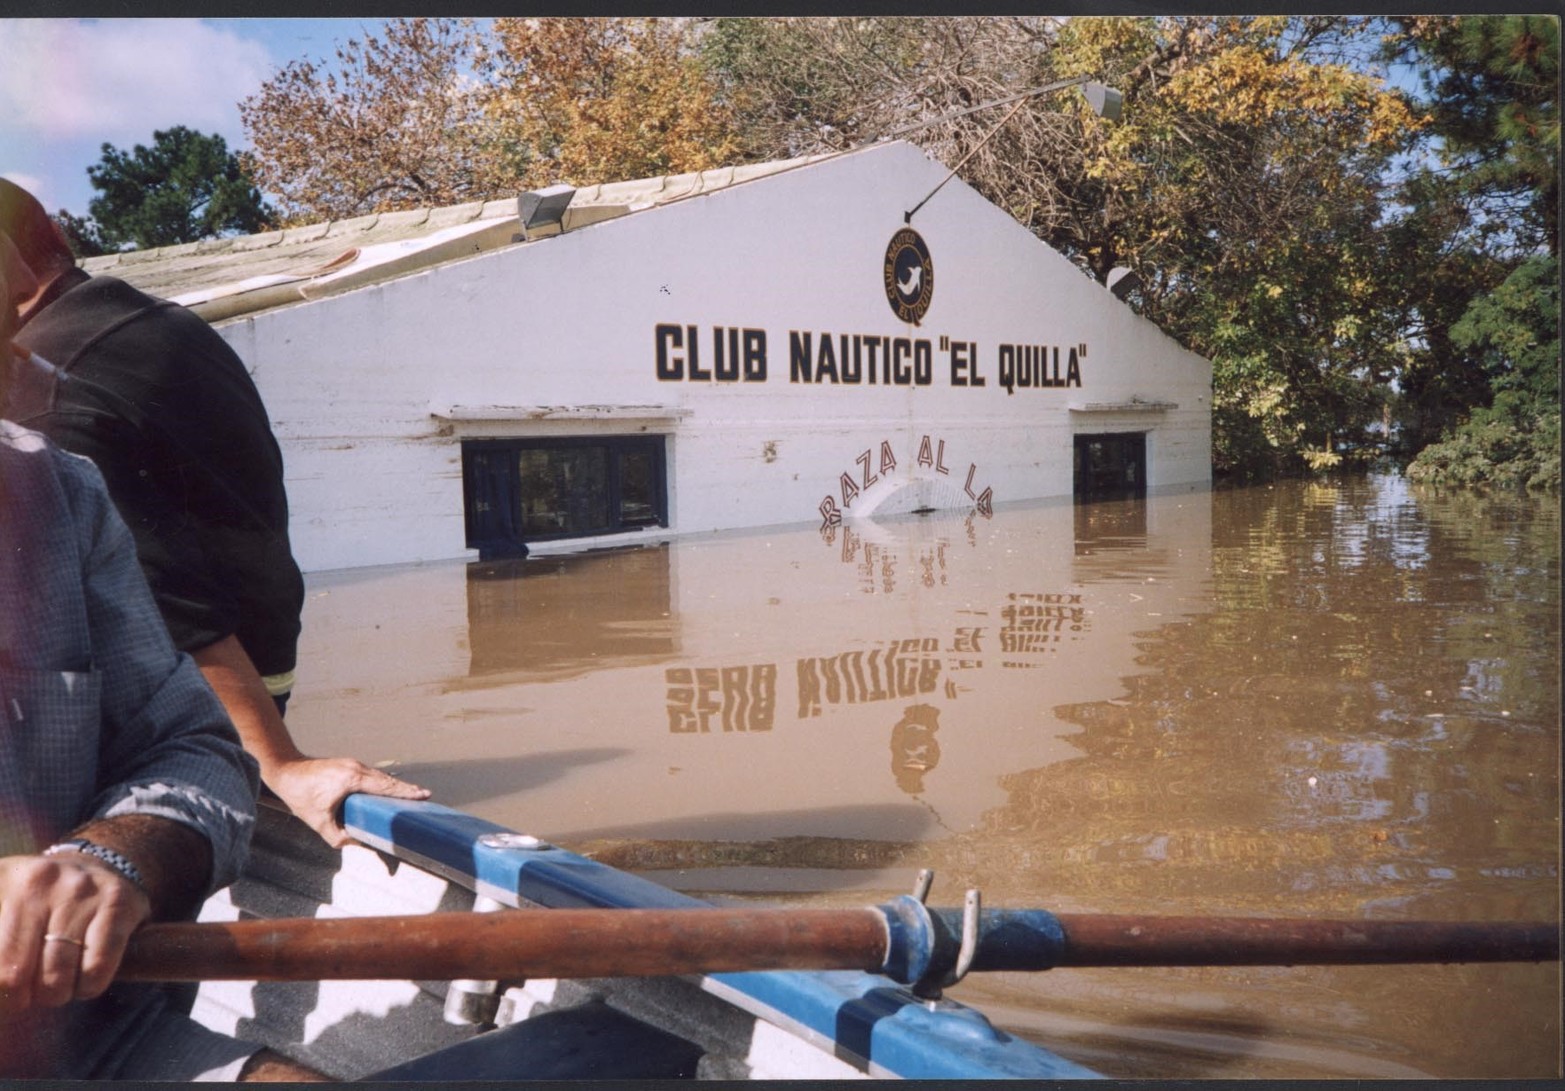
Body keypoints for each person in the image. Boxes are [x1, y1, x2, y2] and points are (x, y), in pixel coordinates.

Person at [0, 179, 427, 848]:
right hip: (263, 657)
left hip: (211, 687)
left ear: (15, 274)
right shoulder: (158, 323)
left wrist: (276, 760)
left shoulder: (44, 393)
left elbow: (165, 587)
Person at [2, 231, 327, 1080]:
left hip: (91, 1035)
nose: (27, 378)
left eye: (6, 336)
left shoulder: (59, 491)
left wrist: (112, 859)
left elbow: (190, 746)